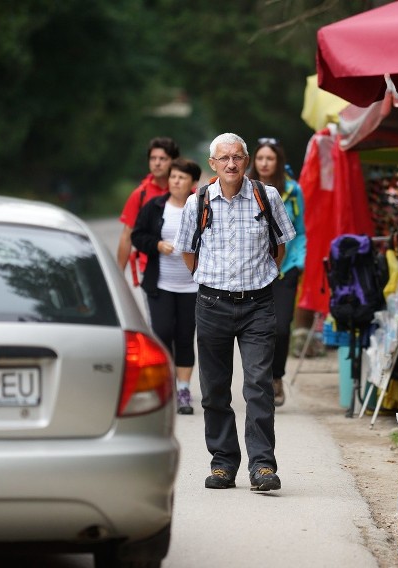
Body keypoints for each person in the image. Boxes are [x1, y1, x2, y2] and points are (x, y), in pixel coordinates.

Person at [173, 132, 296, 492]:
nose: (231, 164)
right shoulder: (198, 202)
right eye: (223, 158)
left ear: (246, 160)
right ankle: (223, 463)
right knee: (214, 389)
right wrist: (207, 280)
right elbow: (187, 252)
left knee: (259, 385)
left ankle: (262, 466)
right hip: (211, 304)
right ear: (212, 164)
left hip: (258, 303)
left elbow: (279, 248)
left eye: (237, 157)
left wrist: (261, 278)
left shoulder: (266, 196)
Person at [131, 158, 202, 415]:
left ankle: (183, 389)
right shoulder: (154, 207)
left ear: (193, 183)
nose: (176, 181)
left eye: (182, 178)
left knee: (184, 337)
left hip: (192, 287)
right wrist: (157, 245)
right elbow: (137, 236)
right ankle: (163, 386)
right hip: (160, 284)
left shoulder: (201, 208)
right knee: (161, 334)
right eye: (173, 177)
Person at [248, 138, 306, 407]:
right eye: (260, 158)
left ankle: (277, 376)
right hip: (253, 271)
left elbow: (302, 231)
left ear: (278, 161)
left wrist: (298, 261)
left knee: (281, 328)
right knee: (257, 328)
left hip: (286, 269)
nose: (264, 163)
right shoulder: (245, 189)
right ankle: (259, 381)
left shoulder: (293, 191)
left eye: (270, 158)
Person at [117, 137, 180, 284]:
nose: (157, 163)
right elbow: (127, 236)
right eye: (153, 158)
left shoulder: (187, 192)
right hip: (150, 269)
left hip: (182, 269)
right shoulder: (140, 194)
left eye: (163, 159)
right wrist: (118, 276)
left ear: (173, 161)